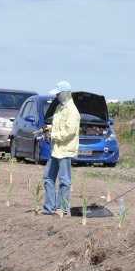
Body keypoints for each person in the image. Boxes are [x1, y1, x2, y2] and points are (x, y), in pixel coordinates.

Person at [40, 81, 80, 215]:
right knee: (48, 178)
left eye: (59, 94)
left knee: (64, 181)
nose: (57, 96)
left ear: (65, 93)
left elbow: (69, 132)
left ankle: (61, 209)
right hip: (55, 150)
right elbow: (58, 124)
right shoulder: (59, 108)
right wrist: (48, 128)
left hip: (65, 150)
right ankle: (49, 208)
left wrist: (52, 136)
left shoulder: (72, 111)